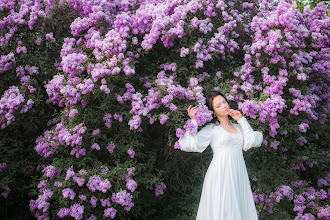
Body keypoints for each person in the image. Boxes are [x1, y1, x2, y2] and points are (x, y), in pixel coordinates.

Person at [179, 90, 263, 220]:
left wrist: (241, 119)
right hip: (220, 173)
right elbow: (189, 144)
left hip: (238, 172)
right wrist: (193, 121)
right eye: (218, 105)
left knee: (239, 207)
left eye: (224, 102)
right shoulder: (212, 130)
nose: (223, 106)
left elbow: (251, 142)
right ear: (213, 111)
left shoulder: (239, 127)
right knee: (223, 207)